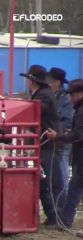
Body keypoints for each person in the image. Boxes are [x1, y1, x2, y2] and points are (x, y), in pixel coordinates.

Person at [20, 64, 65, 227]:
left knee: (50, 181)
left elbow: (35, 110)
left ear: (31, 81)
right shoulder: (43, 94)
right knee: (46, 180)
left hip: (48, 143)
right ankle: (54, 217)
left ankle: (56, 217)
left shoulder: (43, 95)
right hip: (46, 142)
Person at [46, 79, 83, 228]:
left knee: (75, 186)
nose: (71, 99)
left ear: (79, 94)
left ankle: (65, 220)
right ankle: (65, 219)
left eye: (73, 95)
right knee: (75, 186)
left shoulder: (81, 111)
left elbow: (79, 135)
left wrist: (58, 137)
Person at [47, 67, 73, 185]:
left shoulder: (65, 99)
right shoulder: (56, 97)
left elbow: (67, 120)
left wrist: (57, 133)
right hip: (55, 139)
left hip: (61, 140)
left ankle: (63, 200)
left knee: (61, 174)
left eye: (49, 80)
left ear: (56, 82)